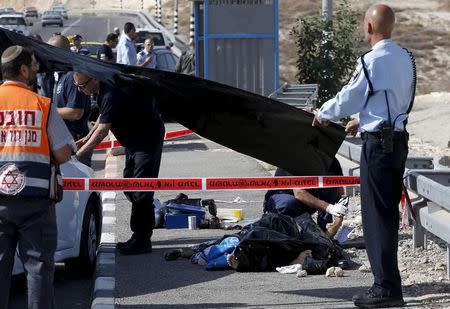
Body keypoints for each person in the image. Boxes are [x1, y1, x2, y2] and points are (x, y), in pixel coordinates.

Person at [312, 4, 415, 308]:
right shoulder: (406, 58)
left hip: (378, 147)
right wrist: (364, 118)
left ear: (369, 28)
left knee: (376, 216)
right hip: (397, 141)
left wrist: (324, 113)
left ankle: (385, 289)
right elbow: (396, 99)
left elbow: (351, 95)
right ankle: (389, 285)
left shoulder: (371, 60)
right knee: (387, 215)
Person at [0, 46, 74, 309]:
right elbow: (64, 153)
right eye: (33, 64)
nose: (37, 69)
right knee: (39, 269)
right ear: (22, 70)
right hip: (36, 203)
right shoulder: (41, 104)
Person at [72, 72, 165, 255]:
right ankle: (142, 225)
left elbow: (103, 131)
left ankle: (142, 239)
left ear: (95, 78)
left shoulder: (110, 92)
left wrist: (80, 153)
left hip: (147, 140)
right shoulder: (101, 91)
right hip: (134, 142)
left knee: (139, 189)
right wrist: (86, 138)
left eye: (81, 86)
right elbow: (103, 116)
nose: (79, 90)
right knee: (129, 185)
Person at [263, 158, 348, 238]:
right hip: (281, 199)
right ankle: (286, 234)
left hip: (307, 201)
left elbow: (339, 190)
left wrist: (339, 213)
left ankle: (323, 230)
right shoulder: (294, 158)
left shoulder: (331, 161)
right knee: (289, 203)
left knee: (331, 187)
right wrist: (329, 207)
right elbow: (299, 193)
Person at [48, 35, 93, 166]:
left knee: (78, 184)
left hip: (75, 142)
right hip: (65, 142)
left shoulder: (72, 75)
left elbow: (75, 112)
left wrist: (47, 110)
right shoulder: (59, 75)